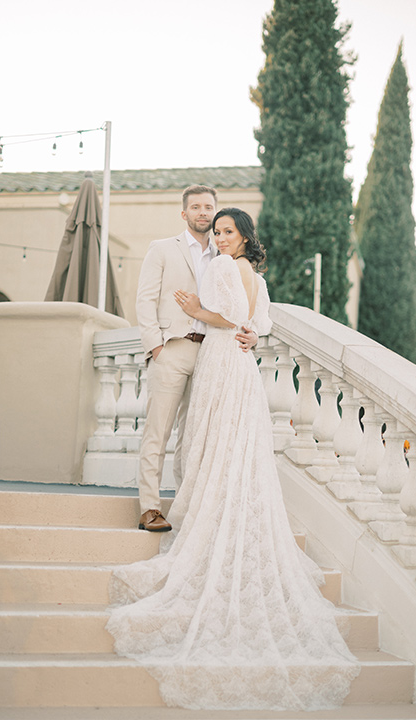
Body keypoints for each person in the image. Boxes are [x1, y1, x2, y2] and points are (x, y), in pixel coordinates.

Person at [107, 209, 360, 711]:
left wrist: (197, 311)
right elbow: (257, 322)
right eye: (217, 231)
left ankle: (207, 513)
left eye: (227, 231)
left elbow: (228, 319)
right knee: (231, 441)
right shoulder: (258, 277)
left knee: (210, 437)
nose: (221, 237)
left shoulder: (224, 268)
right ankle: (222, 508)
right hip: (240, 364)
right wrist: (245, 332)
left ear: (243, 235)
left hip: (222, 357)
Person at [135, 187, 257, 532]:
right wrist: (155, 347)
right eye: (196, 207)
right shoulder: (162, 249)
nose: (203, 212)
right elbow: (144, 300)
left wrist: (254, 335)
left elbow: (242, 308)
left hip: (212, 355)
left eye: (208, 207)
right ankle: (149, 507)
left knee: (194, 437)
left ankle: (184, 508)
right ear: (184, 213)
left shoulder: (227, 255)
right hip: (172, 349)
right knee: (158, 432)